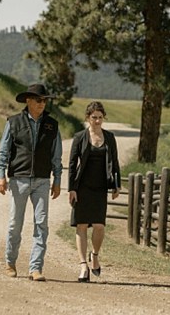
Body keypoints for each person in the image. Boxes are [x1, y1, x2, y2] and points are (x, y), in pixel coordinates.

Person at [0, 83, 62, 282]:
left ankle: (36, 268)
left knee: (41, 224)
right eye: (39, 100)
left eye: (45, 100)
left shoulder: (52, 125)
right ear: (28, 101)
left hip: (42, 180)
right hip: (19, 179)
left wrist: (57, 180)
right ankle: (10, 262)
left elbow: (56, 156)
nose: (43, 104)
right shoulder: (13, 122)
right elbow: (3, 151)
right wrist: (1, 175)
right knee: (15, 224)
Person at [68, 101, 121, 282]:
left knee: (99, 225)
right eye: (94, 118)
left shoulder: (110, 137)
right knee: (81, 225)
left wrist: (116, 185)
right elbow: (72, 165)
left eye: (100, 118)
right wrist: (72, 189)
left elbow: (115, 162)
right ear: (88, 118)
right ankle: (83, 266)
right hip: (82, 187)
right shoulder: (79, 137)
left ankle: (95, 255)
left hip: (100, 187)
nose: (97, 121)